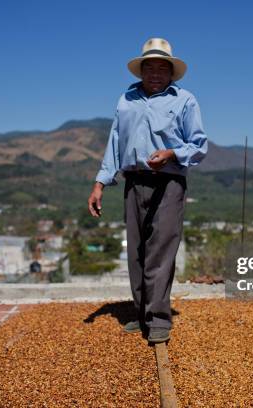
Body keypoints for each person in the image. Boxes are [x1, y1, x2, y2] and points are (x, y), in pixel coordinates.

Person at [87, 38, 208, 343]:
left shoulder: (185, 100)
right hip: (134, 181)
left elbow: (199, 146)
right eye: (149, 67)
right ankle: (142, 315)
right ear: (140, 71)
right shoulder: (126, 99)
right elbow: (115, 142)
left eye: (162, 68)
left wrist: (171, 154)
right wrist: (100, 183)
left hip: (168, 181)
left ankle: (158, 320)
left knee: (160, 250)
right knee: (137, 252)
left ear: (171, 73)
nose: (155, 73)